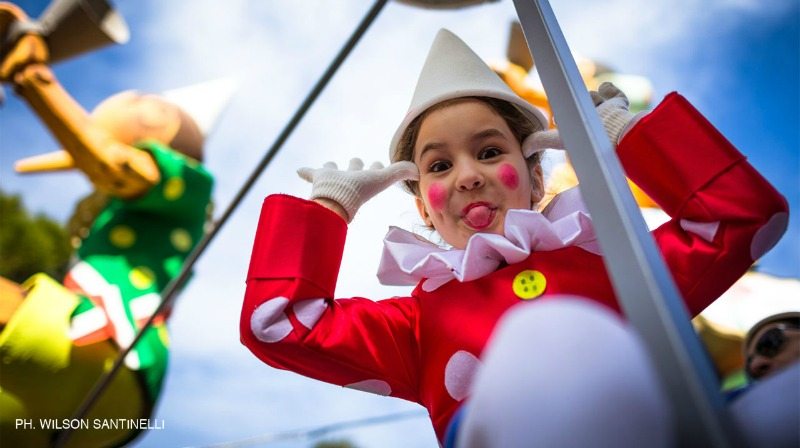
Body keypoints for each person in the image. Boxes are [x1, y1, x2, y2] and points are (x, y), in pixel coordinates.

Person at [241, 29, 789, 446]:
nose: (467, 176)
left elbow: (744, 216)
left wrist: (628, 138)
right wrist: (331, 206)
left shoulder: (620, 265)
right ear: (422, 207)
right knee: (550, 336)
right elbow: (277, 325)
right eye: (437, 165)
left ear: (534, 175)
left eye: (488, 151)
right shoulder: (415, 324)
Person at [0, 4, 215, 446]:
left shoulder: (190, 186)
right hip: (107, 416)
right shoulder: (122, 216)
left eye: (141, 104)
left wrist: (33, 76)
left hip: (108, 350)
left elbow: (112, 166)